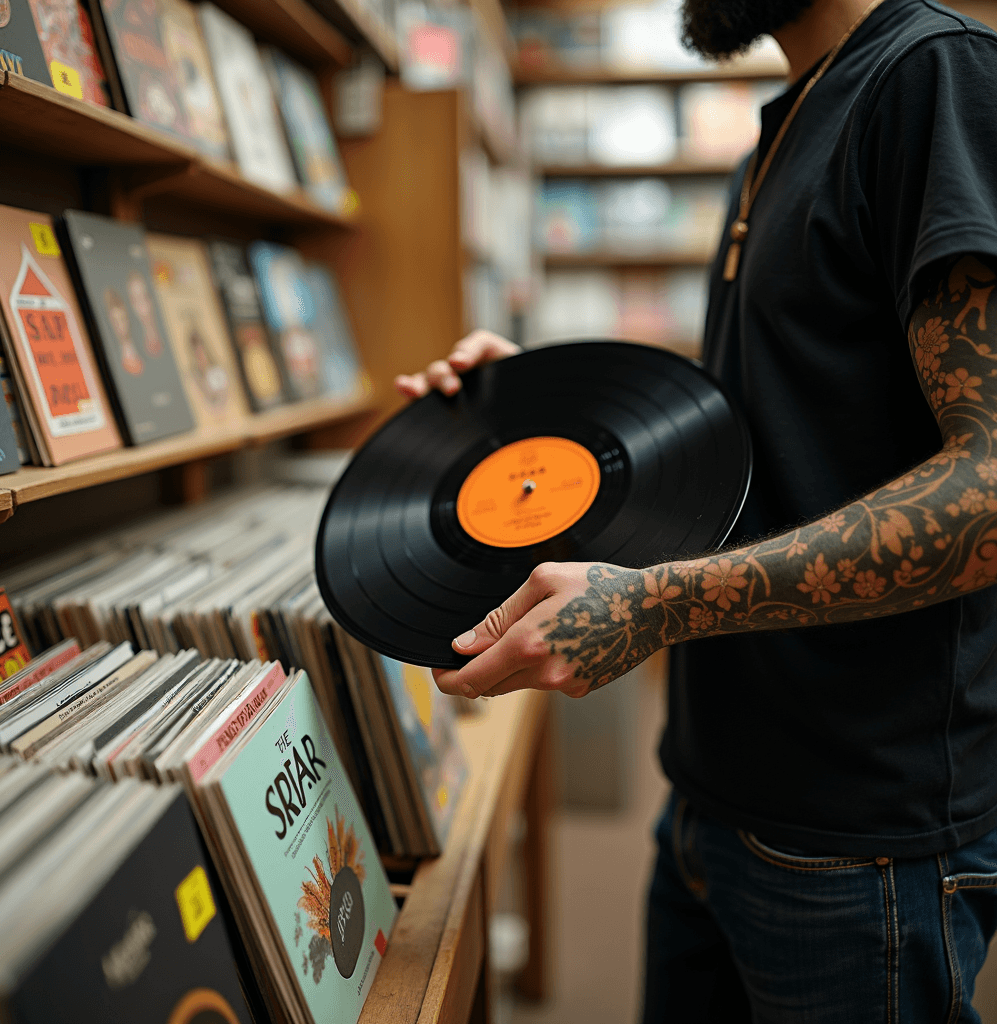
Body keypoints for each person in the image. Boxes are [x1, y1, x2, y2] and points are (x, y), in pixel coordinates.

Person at [397, 0, 997, 1016]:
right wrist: (559, 405)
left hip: (856, 841)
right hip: (712, 792)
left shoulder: (934, 78)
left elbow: (989, 489)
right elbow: (779, 428)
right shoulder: (781, 127)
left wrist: (655, 604)